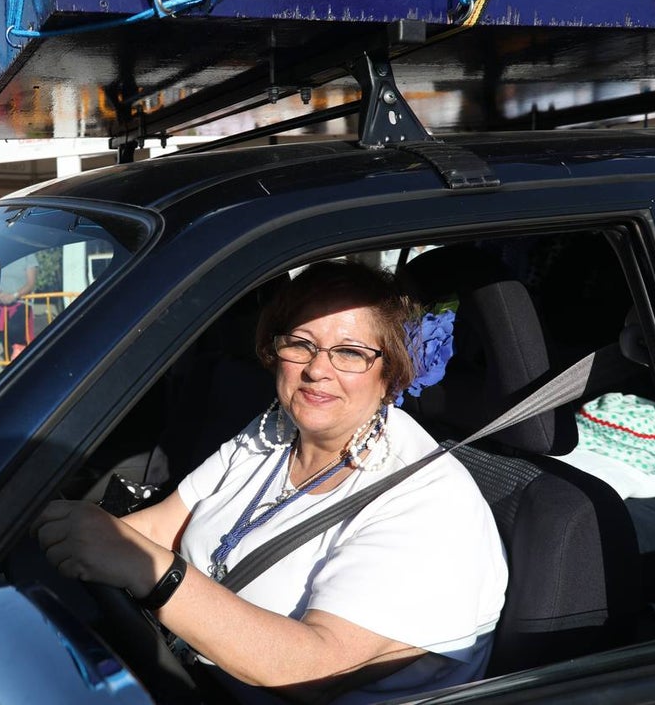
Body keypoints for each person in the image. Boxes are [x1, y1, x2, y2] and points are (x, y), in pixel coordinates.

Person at [34, 261, 507, 703]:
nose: (317, 370)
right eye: (300, 343)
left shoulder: (432, 505)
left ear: (390, 373)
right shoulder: (275, 432)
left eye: (350, 353)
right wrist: (59, 535)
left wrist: (145, 570)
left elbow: (309, 666)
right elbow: (158, 529)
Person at [0, 252, 38, 358]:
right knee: (6, 347)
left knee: (20, 343)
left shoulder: (28, 255)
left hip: (21, 305)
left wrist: (14, 296)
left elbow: (31, 284)